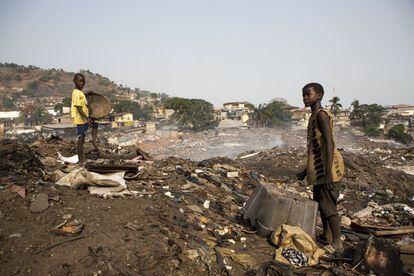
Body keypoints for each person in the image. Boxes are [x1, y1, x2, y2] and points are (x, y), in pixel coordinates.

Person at [297, 83, 345, 254]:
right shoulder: (314, 115)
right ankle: (327, 235)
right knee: (319, 201)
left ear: (319, 96)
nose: (304, 97)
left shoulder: (321, 115)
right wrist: (305, 171)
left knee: (328, 205)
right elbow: (316, 147)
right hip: (319, 169)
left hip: (327, 168)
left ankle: (338, 243)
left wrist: (329, 173)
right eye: (303, 95)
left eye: (308, 94)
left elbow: (330, 143)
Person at [71, 73, 93, 164]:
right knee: (81, 139)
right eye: (80, 81)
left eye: (83, 81)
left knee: (82, 138)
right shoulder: (76, 93)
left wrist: (87, 94)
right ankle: (81, 159)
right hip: (80, 119)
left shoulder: (80, 93)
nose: (82, 83)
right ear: (74, 82)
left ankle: (81, 158)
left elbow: (83, 102)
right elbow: (79, 108)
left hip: (83, 119)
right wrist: (87, 119)